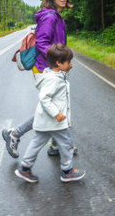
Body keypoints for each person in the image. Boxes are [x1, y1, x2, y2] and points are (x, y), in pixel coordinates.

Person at [2, 0, 76, 158]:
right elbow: (42, 43)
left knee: (57, 105)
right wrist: (58, 61)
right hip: (45, 68)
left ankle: (57, 144)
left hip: (53, 66)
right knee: (48, 108)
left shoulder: (56, 17)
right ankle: (14, 134)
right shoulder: (50, 17)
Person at [14, 43, 85, 183]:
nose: (71, 65)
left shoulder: (54, 75)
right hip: (54, 122)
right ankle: (67, 171)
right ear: (59, 63)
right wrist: (56, 113)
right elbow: (44, 98)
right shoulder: (54, 79)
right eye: (69, 62)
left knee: (36, 143)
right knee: (67, 144)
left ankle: (25, 168)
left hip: (45, 121)